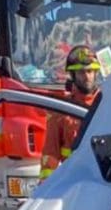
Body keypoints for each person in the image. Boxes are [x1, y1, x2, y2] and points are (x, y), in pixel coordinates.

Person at [39, 45, 101, 180]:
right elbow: (51, 153)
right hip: (74, 179)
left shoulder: (107, 104)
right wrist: (45, 185)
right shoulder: (62, 111)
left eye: (90, 71)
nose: (87, 77)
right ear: (73, 75)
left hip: (103, 180)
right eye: (81, 72)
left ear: (96, 73)